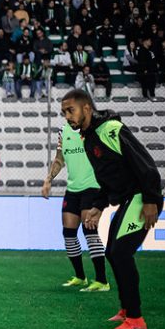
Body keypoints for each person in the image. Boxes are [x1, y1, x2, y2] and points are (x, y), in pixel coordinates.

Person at [61, 89, 163, 329]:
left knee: (120, 253)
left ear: (86, 108)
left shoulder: (110, 129)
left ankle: (136, 320)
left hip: (141, 197)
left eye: (70, 110)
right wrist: (98, 205)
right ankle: (127, 311)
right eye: (64, 112)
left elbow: (145, 164)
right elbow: (108, 179)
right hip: (130, 198)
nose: (67, 117)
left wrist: (150, 199)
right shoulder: (89, 137)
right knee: (113, 253)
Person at [41, 115, 108, 292]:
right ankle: (80, 276)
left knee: (89, 230)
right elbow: (59, 159)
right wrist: (48, 180)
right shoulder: (63, 131)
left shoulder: (94, 130)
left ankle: (102, 280)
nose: (69, 115)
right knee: (68, 233)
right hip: (73, 189)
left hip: (93, 187)